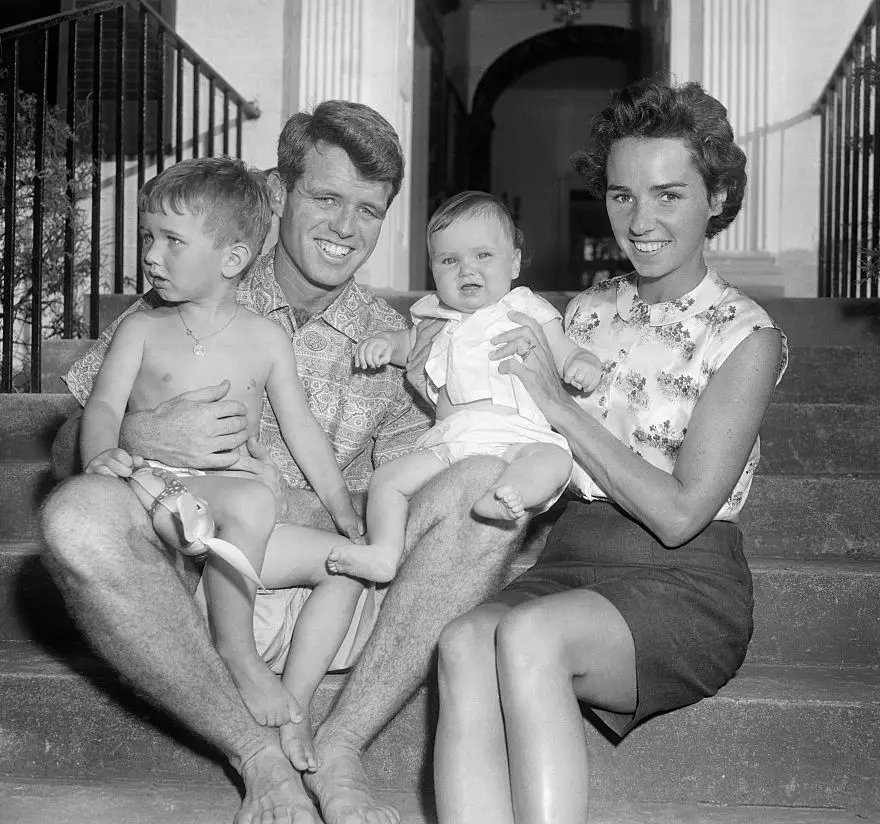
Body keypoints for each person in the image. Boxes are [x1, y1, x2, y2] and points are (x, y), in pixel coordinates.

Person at [40, 100, 529, 824]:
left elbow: (403, 501)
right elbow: (67, 447)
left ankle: (341, 744)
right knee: (75, 518)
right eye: (327, 198)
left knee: (484, 488)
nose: (345, 228)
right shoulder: (180, 288)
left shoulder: (402, 342)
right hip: (189, 567)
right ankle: (257, 754)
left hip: (320, 588)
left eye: (368, 209)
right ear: (278, 192)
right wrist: (148, 434)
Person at [432, 79, 789, 824]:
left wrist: (559, 405)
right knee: (465, 641)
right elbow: (510, 427)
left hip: (682, 582)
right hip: (571, 558)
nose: (641, 219)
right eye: (622, 196)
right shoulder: (586, 312)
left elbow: (680, 512)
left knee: (528, 636)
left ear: (717, 197)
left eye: (668, 194)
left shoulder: (744, 337)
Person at [80, 155, 370, 762]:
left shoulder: (265, 338)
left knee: (349, 565)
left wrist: (343, 507)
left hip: (235, 526)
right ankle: (237, 654)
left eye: (171, 241)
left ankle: (296, 703)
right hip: (159, 495)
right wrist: (103, 456)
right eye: (147, 238)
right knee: (254, 497)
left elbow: (302, 429)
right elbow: (102, 406)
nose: (150, 255)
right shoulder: (141, 329)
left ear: (233, 259)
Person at [332, 191, 602, 582]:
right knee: (386, 480)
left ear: (513, 262)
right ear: (433, 270)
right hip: (451, 443)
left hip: (518, 437)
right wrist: (385, 344)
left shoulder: (527, 311)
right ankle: (383, 552)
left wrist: (582, 363)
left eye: (483, 256)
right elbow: (406, 346)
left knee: (555, 462)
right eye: (449, 260)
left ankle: (510, 495)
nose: (466, 270)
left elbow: (563, 350)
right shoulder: (434, 317)